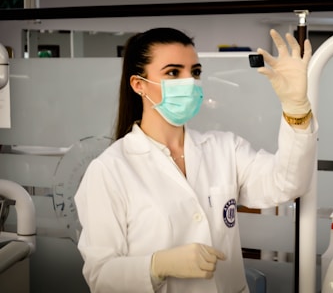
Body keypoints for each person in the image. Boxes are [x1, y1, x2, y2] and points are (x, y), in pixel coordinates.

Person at [74, 27, 318, 293]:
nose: (189, 81)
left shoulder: (224, 148)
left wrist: (296, 108)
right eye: (173, 72)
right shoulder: (109, 170)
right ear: (138, 84)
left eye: (196, 71)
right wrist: (157, 265)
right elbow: (101, 276)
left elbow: (287, 183)